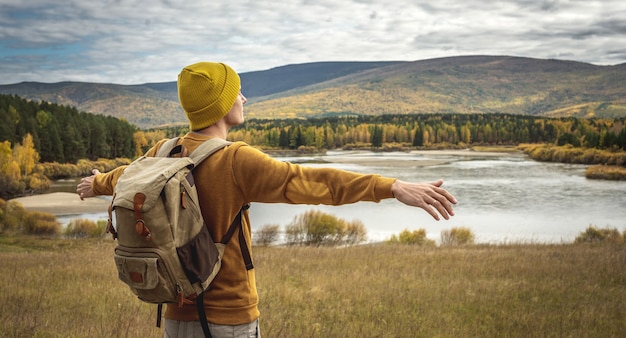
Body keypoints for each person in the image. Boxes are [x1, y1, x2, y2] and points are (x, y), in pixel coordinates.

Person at [76, 61, 457, 338]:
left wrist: (96, 184)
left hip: (175, 315)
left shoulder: (162, 151)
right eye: (235, 91)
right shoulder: (235, 160)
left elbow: (124, 178)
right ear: (221, 106)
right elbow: (312, 181)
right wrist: (390, 186)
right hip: (229, 320)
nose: (244, 97)